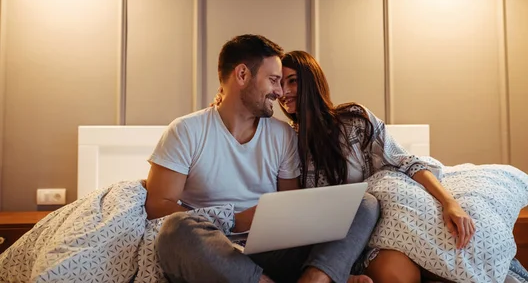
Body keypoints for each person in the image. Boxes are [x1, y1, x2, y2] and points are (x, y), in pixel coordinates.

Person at [145, 35, 380, 283]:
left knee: (364, 203)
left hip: (271, 250)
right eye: (273, 80)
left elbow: (290, 204)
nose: (279, 92)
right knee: (176, 230)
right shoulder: (186, 131)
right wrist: (235, 221)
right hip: (213, 250)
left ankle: (317, 278)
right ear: (242, 75)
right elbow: (158, 205)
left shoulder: (283, 135)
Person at [278, 50, 476, 283]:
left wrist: (449, 202)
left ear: (312, 80)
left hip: (366, 234)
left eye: (292, 81)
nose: (284, 92)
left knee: (403, 272)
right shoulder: (286, 139)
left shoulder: (354, 121)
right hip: (319, 242)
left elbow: (406, 162)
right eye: (279, 84)